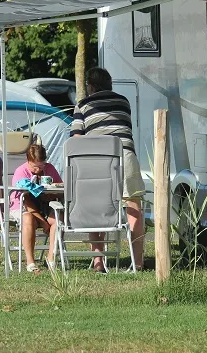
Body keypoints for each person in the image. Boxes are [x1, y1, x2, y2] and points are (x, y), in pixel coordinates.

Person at [70, 67, 145, 272]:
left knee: (95, 207)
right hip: (125, 155)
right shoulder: (123, 102)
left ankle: (98, 261)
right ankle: (138, 261)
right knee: (133, 206)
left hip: (98, 160)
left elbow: (76, 140)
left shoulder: (83, 105)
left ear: (91, 86)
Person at [9, 144, 63, 273]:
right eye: (35, 167)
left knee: (58, 218)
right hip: (23, 206)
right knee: (28, 219)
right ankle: (30, 262)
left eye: (41, 166)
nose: (38, 170)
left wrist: (52, 193)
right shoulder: (21, 172)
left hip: (44, 205)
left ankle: (51, 258)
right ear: (28, 161)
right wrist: (43, 222)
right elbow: (26, 202)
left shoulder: (49, 169)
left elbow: (61, 188)